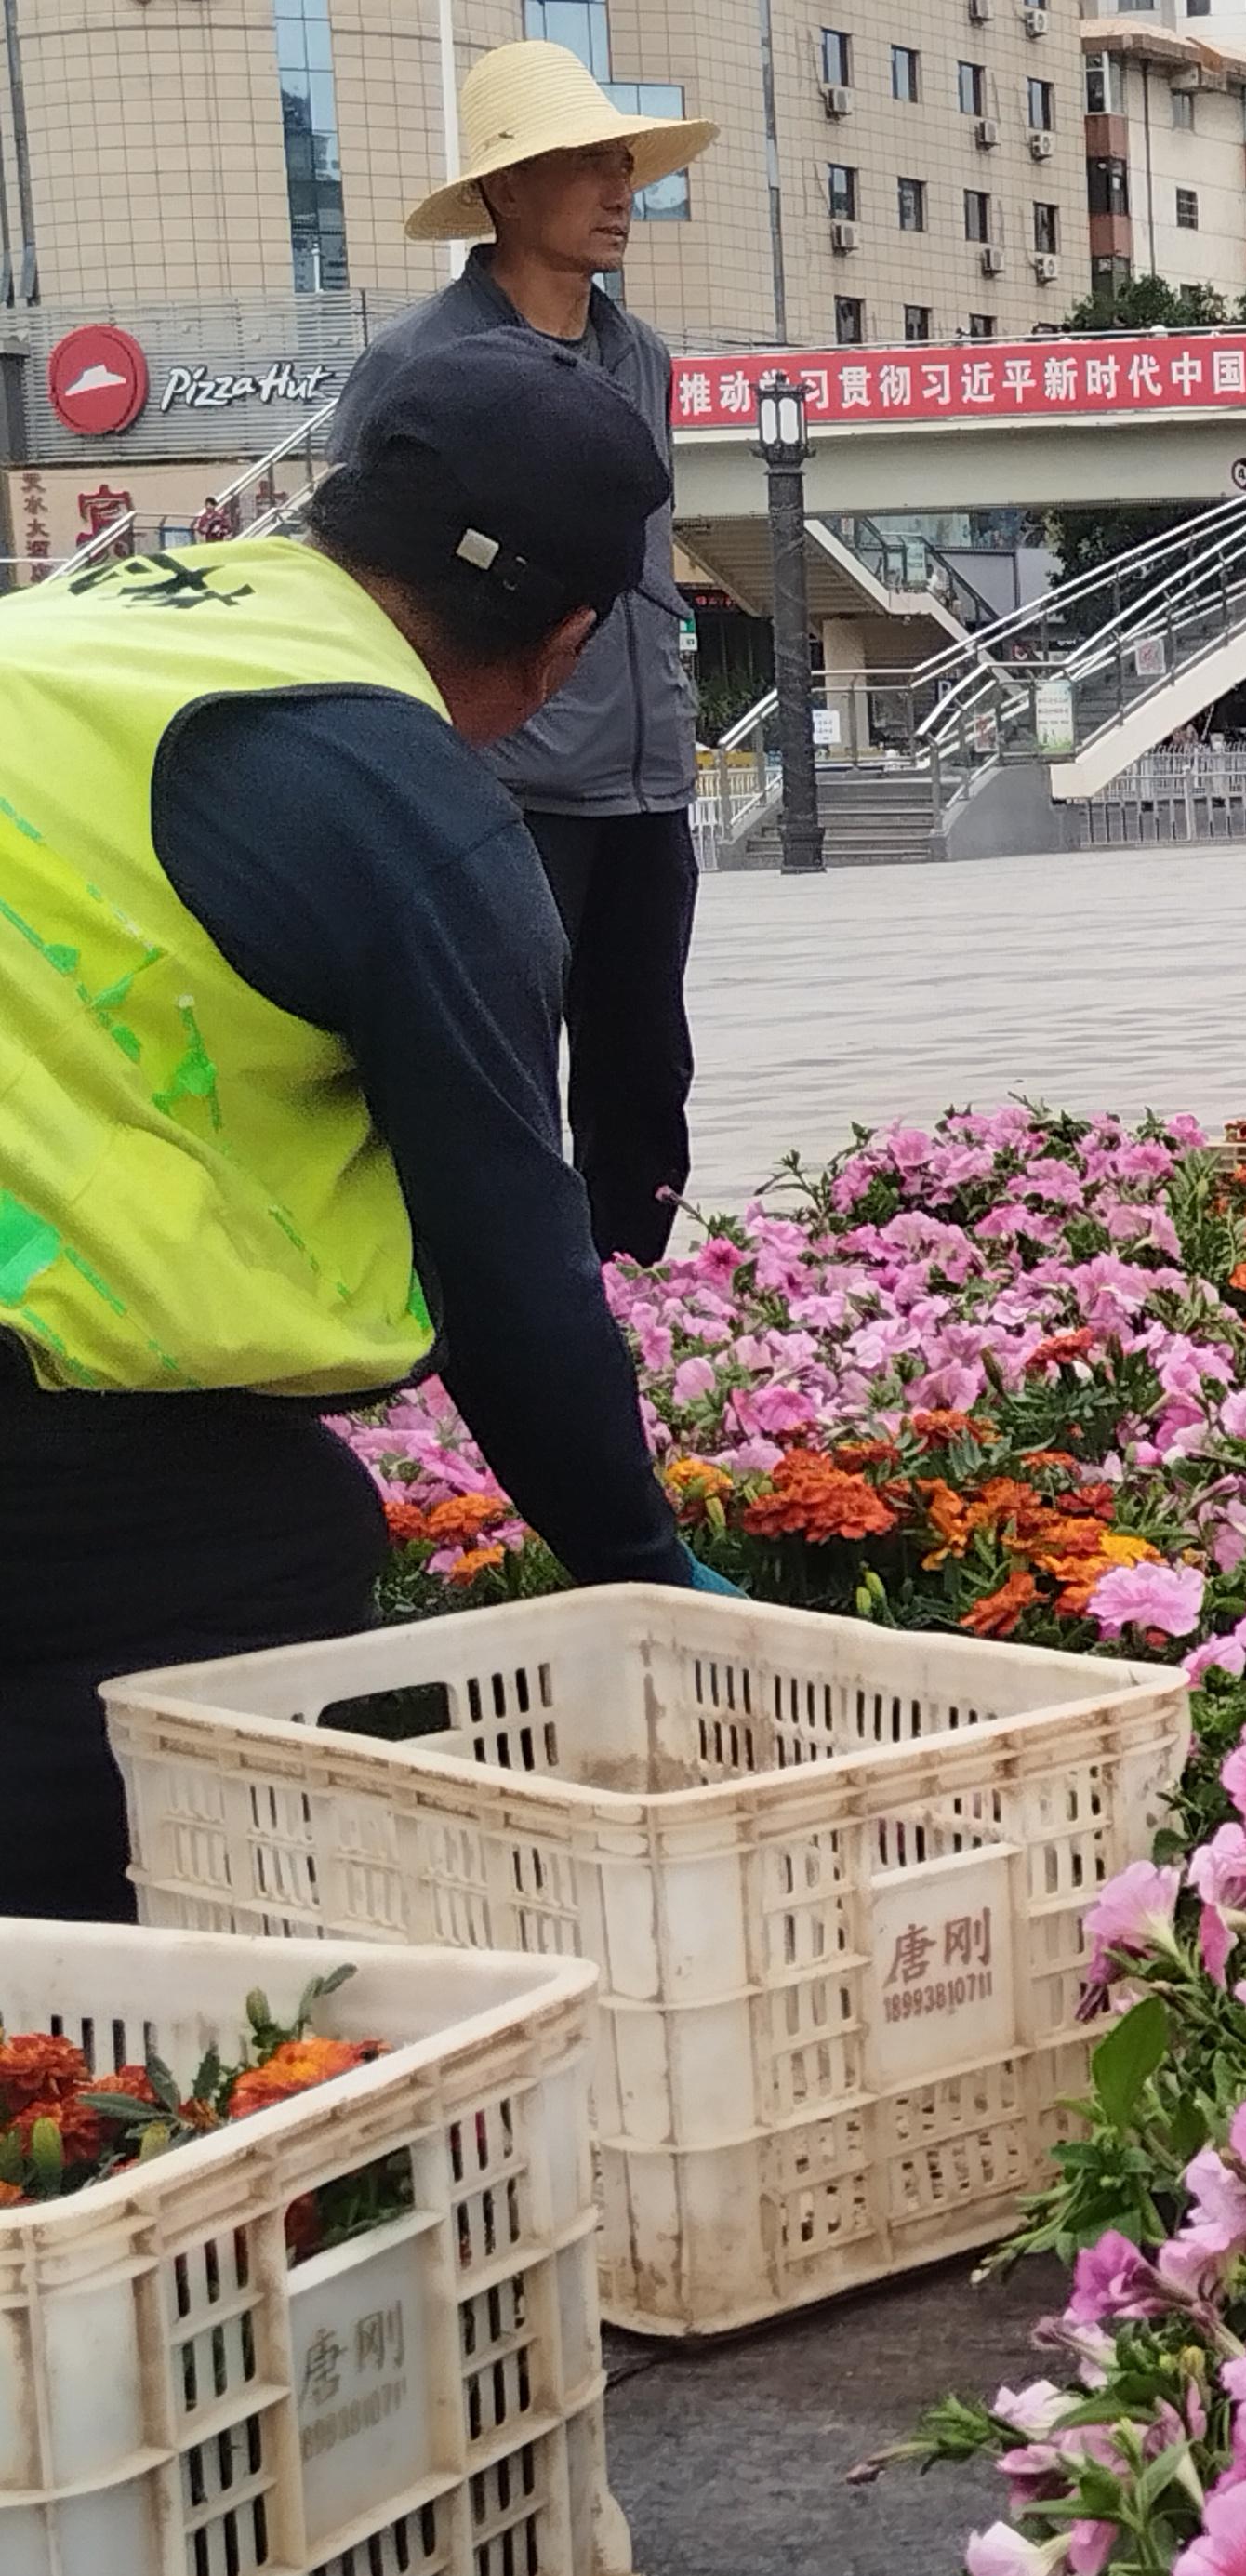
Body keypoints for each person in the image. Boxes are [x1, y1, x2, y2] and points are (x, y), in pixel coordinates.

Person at [0, 331, 728, 1919]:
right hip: (55, 1437)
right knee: (264, 1570)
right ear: (566, 643)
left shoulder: (74, 622)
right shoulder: (411, 814)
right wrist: (650, 1574)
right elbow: (512, 1278)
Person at [335, 40, 714, 1261]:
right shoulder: (417, 364)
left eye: (625, 164)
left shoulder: (642, 357)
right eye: (585, 164)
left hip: (646, 786)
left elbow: (643, 567)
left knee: (644, 1078)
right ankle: (498, 1324)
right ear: (504, 188)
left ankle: (645, 1319)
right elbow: (360, 578)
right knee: (492, 1079)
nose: (619, 189)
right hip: (499, 790)